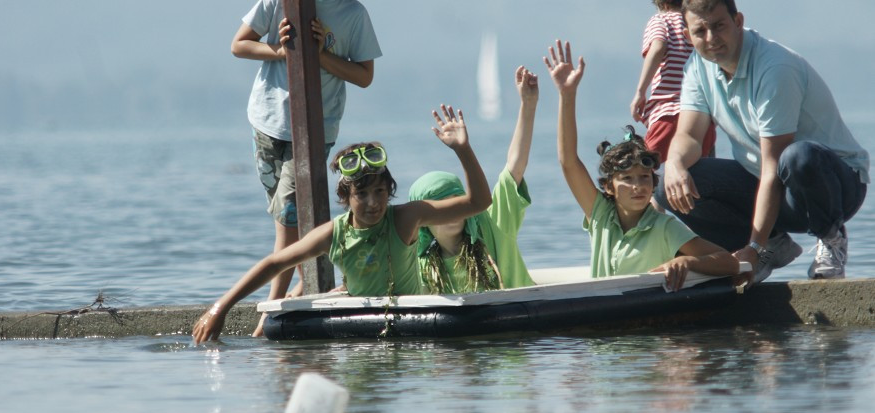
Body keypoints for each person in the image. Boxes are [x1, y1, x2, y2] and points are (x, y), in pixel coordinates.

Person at [193, 106, 491, 343]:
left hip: (412, 326)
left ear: (390, 191)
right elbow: (275, 263)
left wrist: (462, 149)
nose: (373, 202)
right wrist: (221, 307)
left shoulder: (405, 218)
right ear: (346, 196)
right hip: (360, 330)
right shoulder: (335, 233)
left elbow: (479, 202)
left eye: (380, 192)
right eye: (361, 194)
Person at [658, 0, 869, 283]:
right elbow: (689, 136)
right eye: (701, 31)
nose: (711, 38)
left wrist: (754, 247)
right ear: (688, 36)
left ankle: (830, 238)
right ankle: (774, 244)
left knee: (797, 157)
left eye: (719, 26)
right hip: (769, 186)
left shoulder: (775, 67)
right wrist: (674, 164)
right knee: (665, 186)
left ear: (738, 21)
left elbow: (774, 166)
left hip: (835, 186)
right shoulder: (697, 66)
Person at [231, 0, 382, 335]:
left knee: (288, 221)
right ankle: (304, 289)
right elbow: (239, 44)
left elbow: (365, 75)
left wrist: (320, 55)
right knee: (290, 219)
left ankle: (269, 316)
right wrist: (280, 49)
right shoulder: (278, 3)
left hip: (317, 125)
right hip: (266, 122)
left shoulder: (353, 14)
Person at [546, 40, 739, 291]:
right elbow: (568, 160)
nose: (638, 186)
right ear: (609, 187)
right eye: (627, 179)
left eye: (644, 177)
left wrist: (687, 261)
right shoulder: (600, 216)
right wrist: (566, 95)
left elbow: (729, 263)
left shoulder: (664, 227)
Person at [413, 66, 538, 294]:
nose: (453, 211)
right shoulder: (419, 267)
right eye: (442, 206)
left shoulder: (493, 226)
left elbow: (514, 167)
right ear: (422, 220)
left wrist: (527, 105)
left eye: (457, 201)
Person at [630, 0, 715, 162]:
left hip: (670, 113)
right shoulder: (697, 28)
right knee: (695, 179)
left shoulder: (661, 20)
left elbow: (658, 46)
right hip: (702, 118)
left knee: (649, 173)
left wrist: (640, 92)